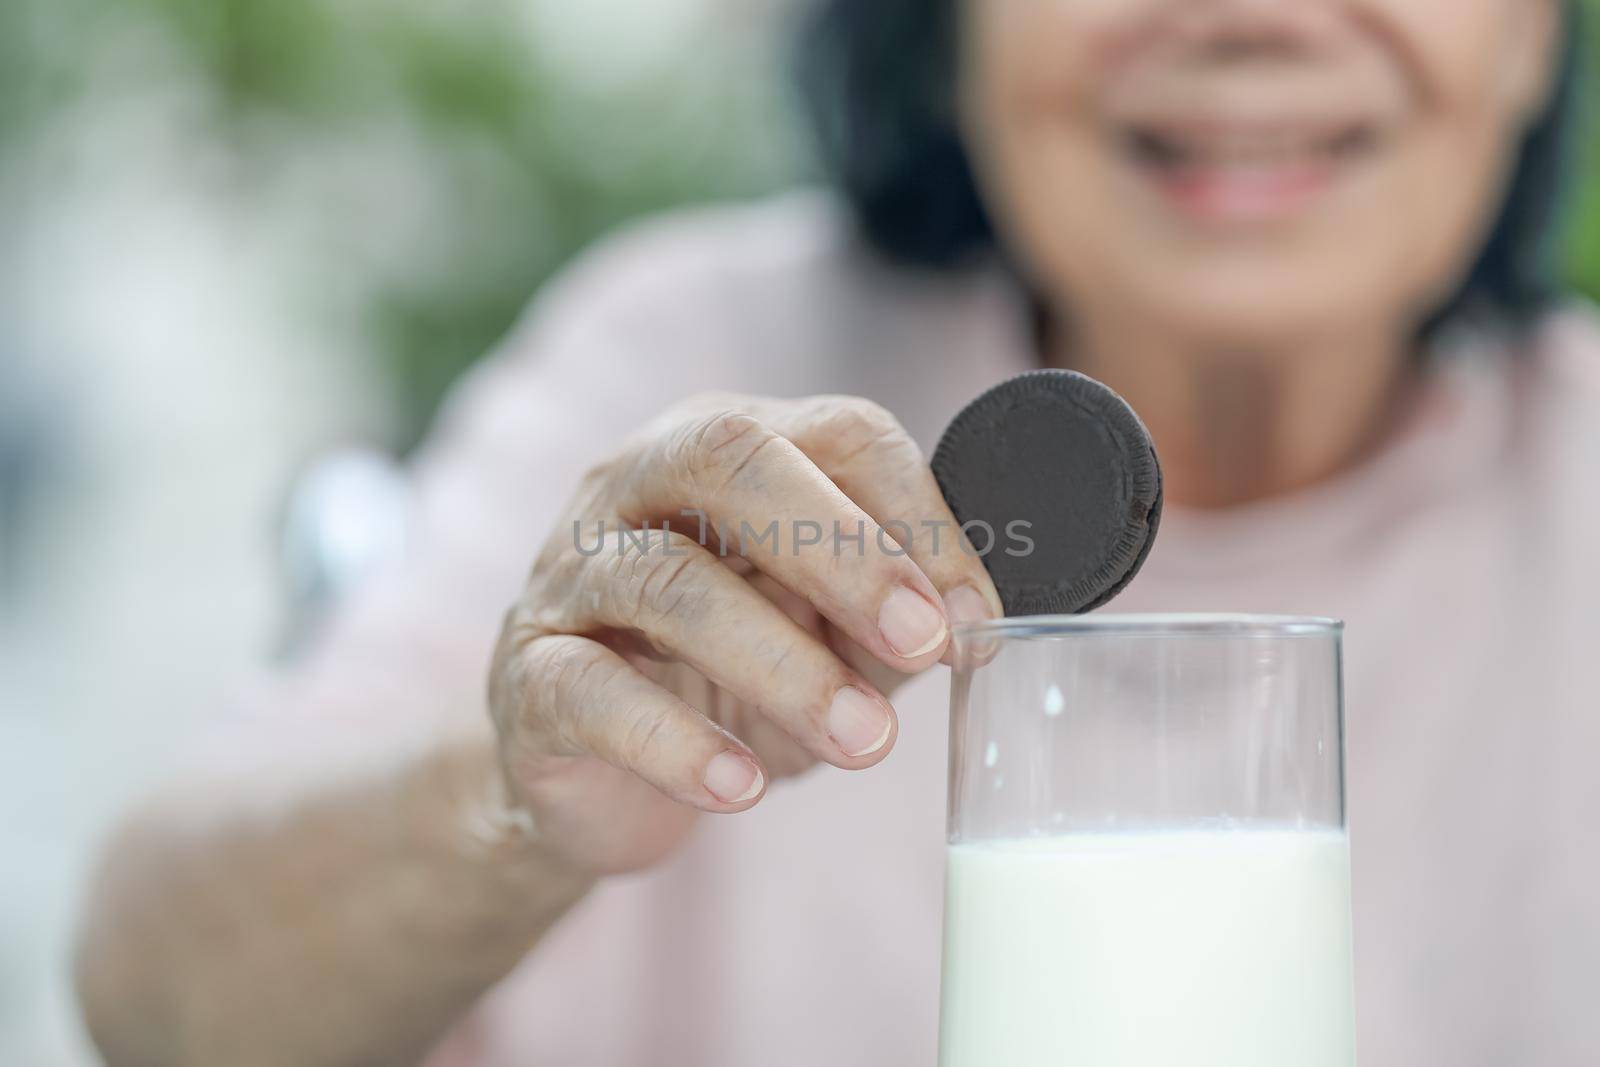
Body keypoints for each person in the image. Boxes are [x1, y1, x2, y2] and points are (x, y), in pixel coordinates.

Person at [76, 1, 1600, 1064]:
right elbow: (148, 997)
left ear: (1535, 25)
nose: (1249, 12)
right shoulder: (689, 370)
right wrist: (507, 797)